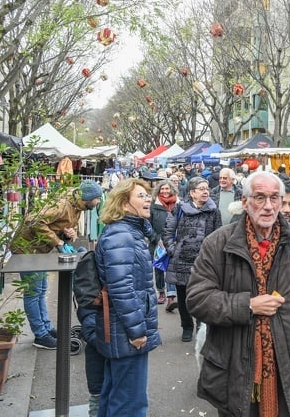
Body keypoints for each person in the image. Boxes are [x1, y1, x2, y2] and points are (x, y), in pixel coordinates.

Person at [186, 171, 290, 417]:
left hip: (288, 362)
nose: (268, 206)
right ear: (244, 202)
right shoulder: (217, 243)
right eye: (260, 198)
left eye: (275, 198)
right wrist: (248, 305)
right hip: (234, 363)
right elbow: (197, 298)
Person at [93, 178, 162, 416]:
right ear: (123, 204)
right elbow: (121, 288)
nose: (148, 200)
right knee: (130, 403)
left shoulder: (128, 232)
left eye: (147, 195)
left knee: (118, 395)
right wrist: (137, 332)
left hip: (122, 331)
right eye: (141, 196)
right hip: (126, 333)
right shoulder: (122, 235)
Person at [15, 179, 103, 349]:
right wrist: (58, 242)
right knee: (33, 293)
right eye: (98, 198)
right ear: (89, 197)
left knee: (40, 291)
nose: (99, 201)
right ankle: (40, 335)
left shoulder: (77, 206)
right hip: (26, 249)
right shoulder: (63, 204)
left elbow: (56, 225)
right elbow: (34, 221)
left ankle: (46, 328)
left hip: (38, 250)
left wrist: (67, 233)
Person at [163, 176, 221, 342]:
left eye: (207, 188)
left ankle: (201, 327)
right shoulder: (180, 209)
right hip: (181, 260)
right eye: (201, 189)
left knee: (202, 295)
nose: (205, 192)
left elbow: (219, 234)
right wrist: (173, 250)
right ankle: (186, 326)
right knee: (183, 297)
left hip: (204, 262)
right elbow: (167, 231)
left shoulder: (213, 210)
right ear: (192, 193)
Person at [150, 179, 179, 310]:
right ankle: (161, 291)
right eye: (162, 189)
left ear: (172, 189)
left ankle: (171, 297)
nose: (165, 191)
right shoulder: (153, 205)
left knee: (171, 267)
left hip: (174, 241)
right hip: (158, 242)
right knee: (159, 268)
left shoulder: (179, 204)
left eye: (167, 189)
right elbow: (148, 226)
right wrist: (157, 239)